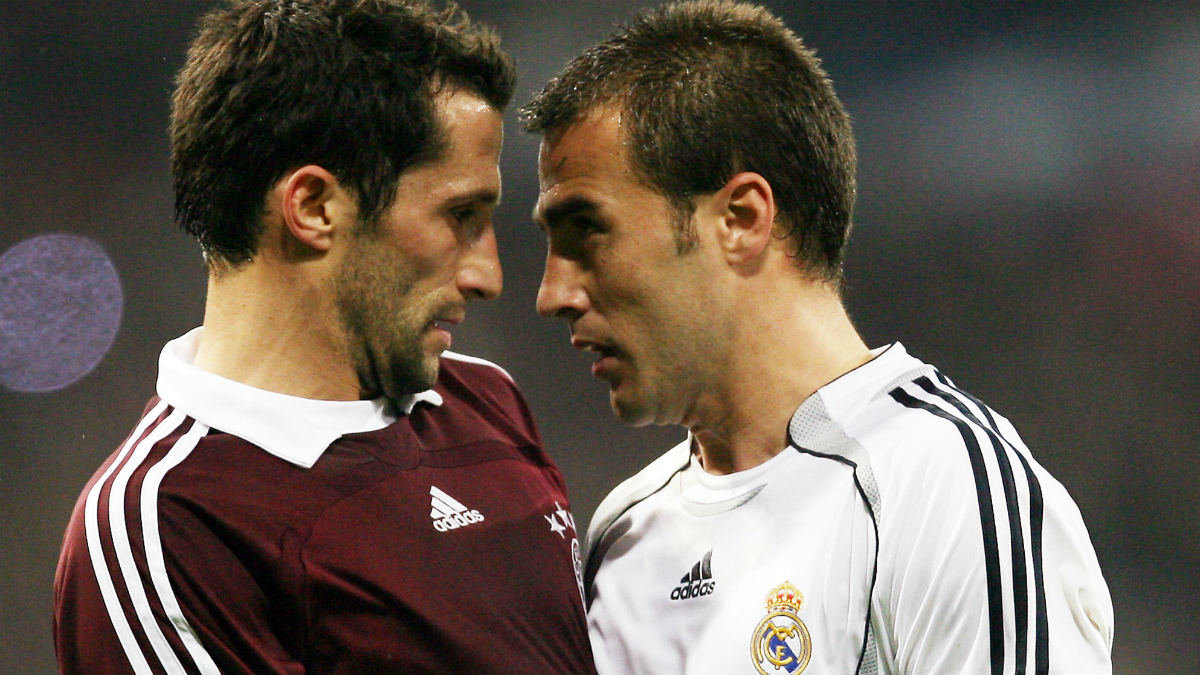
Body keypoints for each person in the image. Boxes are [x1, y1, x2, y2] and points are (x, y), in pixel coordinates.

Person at [522, 1, 1113, 673]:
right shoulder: (623, 532)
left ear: (741, 219)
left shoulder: (945, 491)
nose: (553, 295)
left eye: (588, 233)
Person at [52, 1, 595, 673]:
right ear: (312, 207)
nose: (488, 275)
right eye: (460, 215)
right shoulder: (168, 524)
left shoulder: (486, 398)